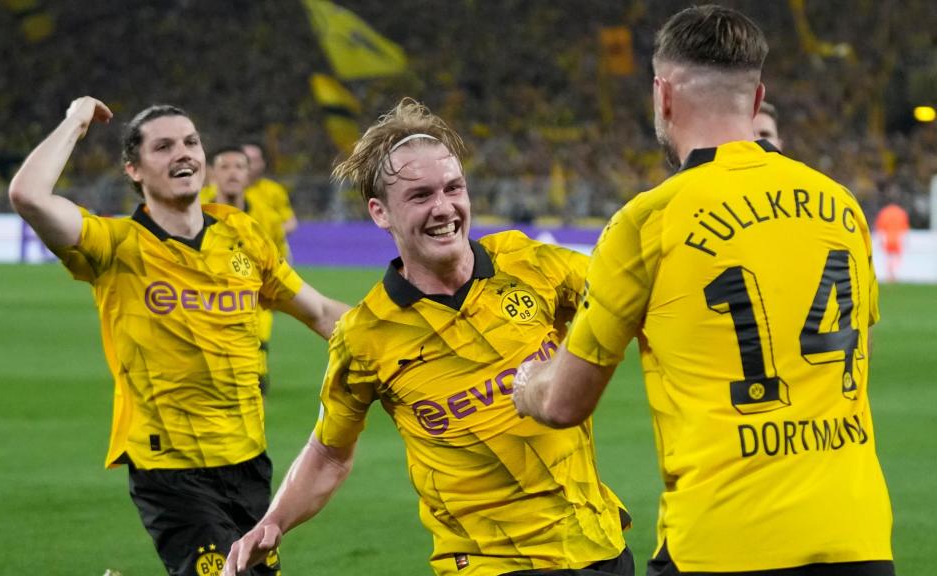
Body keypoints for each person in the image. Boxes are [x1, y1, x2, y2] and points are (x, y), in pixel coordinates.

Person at [513, 6, 894, 576]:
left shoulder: (648, 221)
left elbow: (563, 403)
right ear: (758, 97)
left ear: (663, 96)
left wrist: (528, 383)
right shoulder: (841, 206)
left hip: (721, 543)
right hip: (858, 541)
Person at [223, 98, 634, 576]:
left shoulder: (528, 263)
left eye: (453, 188)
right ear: (380, 212)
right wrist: (274, 521)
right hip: (486, 562)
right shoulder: (365, 335)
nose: (444, 208)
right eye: (420, 196)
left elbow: (627, 295)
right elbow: (328, 451)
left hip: (596, 545)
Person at [8, 97, 350, 576]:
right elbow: (28, 196)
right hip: (169, 465)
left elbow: (319, 311)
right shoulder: (115, 245)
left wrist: (404, 335)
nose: (183, 153)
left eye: (191, 142)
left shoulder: (241, 235)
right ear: (133, 169)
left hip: (248, 459)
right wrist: (76, 120)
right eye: (163, 147)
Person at [208, 145, 287, 393]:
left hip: (253, 307)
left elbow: (280, 263)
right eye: (225, 167)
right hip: (202, 308)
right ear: (212, 173)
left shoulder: (267, 217)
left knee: (254, 378)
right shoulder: (193, 211)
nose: (232, 173)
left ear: (248, 173)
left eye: (239, 167)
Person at [874, 201, 909, 282]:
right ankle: (894, 274)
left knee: (888, 257)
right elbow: (905, 228)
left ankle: (889, 274)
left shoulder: (884, 212)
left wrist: (879, 240)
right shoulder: (901, 212)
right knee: (896, 257)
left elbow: (879, 227)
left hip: (887, 239)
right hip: (897, 239)